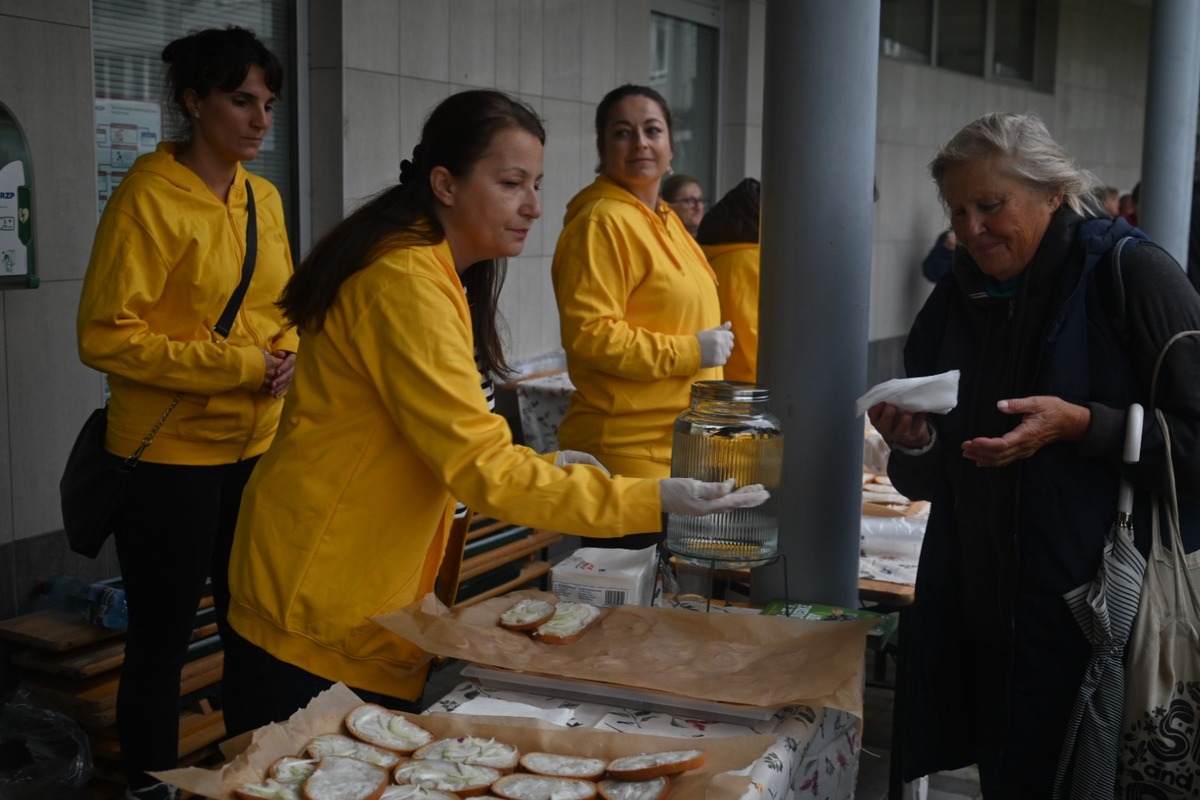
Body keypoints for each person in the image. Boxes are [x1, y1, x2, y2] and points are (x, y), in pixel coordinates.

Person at [226, 89, 767, 728]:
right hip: (320, 604)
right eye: (512, 184)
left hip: (362, 589)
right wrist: (652, 497)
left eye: (535, 184)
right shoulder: (406, 283)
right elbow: (482, 467)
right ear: (445, 185)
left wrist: (553, 465)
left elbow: (459, 439)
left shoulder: (437, 272)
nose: (533, 206)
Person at [867, 112, 1200, 798]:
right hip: (986, 626)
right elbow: (937, 474)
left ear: (1055, 192)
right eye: (958, 211)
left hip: (1108, 629)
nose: (972, 229)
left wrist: (1084, 425)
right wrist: (915, 441)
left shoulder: (1132, 275)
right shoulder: (955, 298)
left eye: (991, 205)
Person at [76, 27, 297, 800]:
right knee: (163, 639)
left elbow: (282, 307)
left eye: (268, 103)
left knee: (253, 625)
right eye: (242, 101)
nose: (261, 120)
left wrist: (288, 353)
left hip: (254, 445)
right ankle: (149, 787)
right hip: (168, 457)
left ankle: (251, 776)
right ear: (193, 101)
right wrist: (241, 366)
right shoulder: (147, 198)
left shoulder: (263, 197)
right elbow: (106, 335)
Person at [551, 84, 733, 550]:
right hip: (629, 456)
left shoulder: (666, 219)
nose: (640, 144)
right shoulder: (601, 221)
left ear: (671, 145)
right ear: (602, 148)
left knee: (663, 592)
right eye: (622, 133)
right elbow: (591, 335)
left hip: (677, 448)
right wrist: (691, 351)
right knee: (628, 593)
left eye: (652, 130)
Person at [695, 177, 761, 383]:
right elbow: (758, 342)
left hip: (725, 383)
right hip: (750, 390)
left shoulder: (719, 256)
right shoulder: (748, 262)